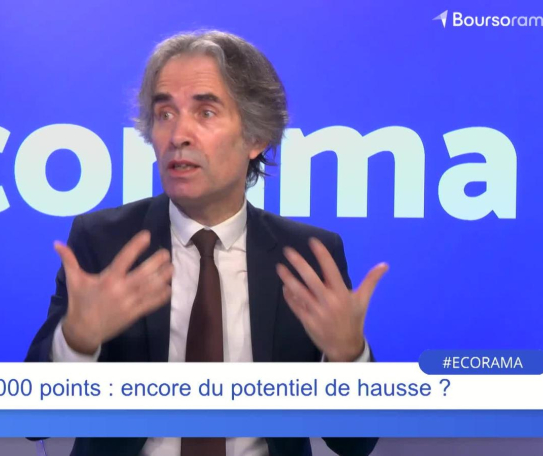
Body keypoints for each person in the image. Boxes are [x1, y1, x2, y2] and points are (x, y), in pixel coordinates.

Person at [26, 30, 388, 456]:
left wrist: (348, 357)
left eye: (206, 112)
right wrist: (78, 341)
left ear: (256, 138)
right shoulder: (104, 242)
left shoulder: (307, 256)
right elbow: (35, 422)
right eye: (164, 114)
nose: (178, 134)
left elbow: (354, 443)